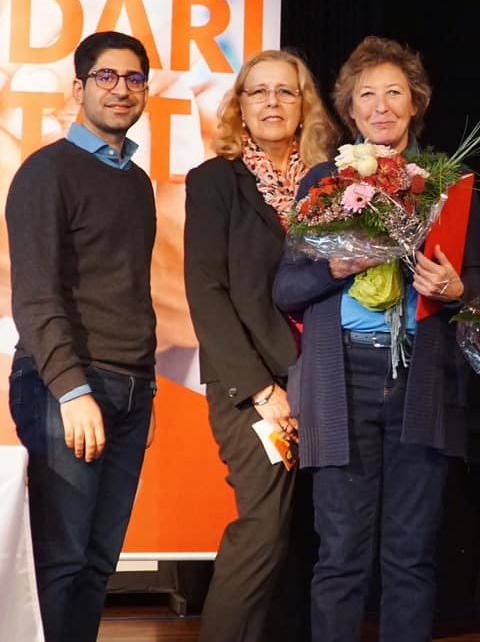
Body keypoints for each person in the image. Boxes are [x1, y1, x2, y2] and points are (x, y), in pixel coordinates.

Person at [273, 35, 480, 642]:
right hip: (342, 378)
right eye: (367, 95)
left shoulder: (448, 181)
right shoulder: (325, 180)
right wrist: (334, 268)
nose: (381, 106)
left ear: (415, 102)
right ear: (350, 109)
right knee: (340, 552)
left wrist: (455, 289)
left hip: (421, 376)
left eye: (394, 93)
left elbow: (479, 288)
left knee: (411, 553)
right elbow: (286, 289)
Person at [5, 31, 157, 642]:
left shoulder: (137, 182)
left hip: (130, 388)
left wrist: (145, 386)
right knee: (61, 561)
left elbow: (129, 290)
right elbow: (36, 296)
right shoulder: (47, 172)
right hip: (66, 387)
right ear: (79, 87)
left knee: (97, 564)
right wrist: (72, 390)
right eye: (106, 77)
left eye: (134, 79)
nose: (121, 90)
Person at [183, 49, 337, 642]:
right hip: (253, 384)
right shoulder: (214, 182)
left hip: (323, 375)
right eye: (259, 92)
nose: (272, 102)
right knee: (264, 528)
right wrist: (260, 390)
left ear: (304, 105)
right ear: (240, 107)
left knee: (308, 536)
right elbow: (206, 292)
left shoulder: (332, 183)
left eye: (286, 91)